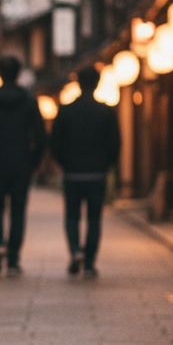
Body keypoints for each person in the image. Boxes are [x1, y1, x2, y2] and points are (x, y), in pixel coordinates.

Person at [0, 56, 47, 275]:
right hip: (22, 162)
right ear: (18, 74)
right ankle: (13, 260)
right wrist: (35, 161)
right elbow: (40, 136)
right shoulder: (29, 101)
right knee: (17, 210)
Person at [49, 67, 122, 277]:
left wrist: (63, 162)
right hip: (97, 173)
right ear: (97, 83)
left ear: (78, 84)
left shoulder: (65, 110)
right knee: (94, 218)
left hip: (72, 172)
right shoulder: (106, 112)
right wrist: (107, 164)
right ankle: (89, 263)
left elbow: (55, 142)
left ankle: (75, 252)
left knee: (72, 216)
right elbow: (115, 143)